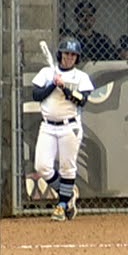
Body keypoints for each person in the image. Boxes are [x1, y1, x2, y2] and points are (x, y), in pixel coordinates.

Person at [31, 38, 94, 222]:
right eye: (66, 54)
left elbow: (81, 100)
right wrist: (52, 84)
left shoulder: (81, 77)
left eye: (73, 55)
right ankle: (67, 195)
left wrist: (64, 88)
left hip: (70, 126)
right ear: (60, 55)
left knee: (67, 168)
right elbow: (36, 95)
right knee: (42, 166)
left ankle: (61, 205)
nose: (69, 58)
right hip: (48, 125)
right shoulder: (47, 73)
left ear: (77, 58)